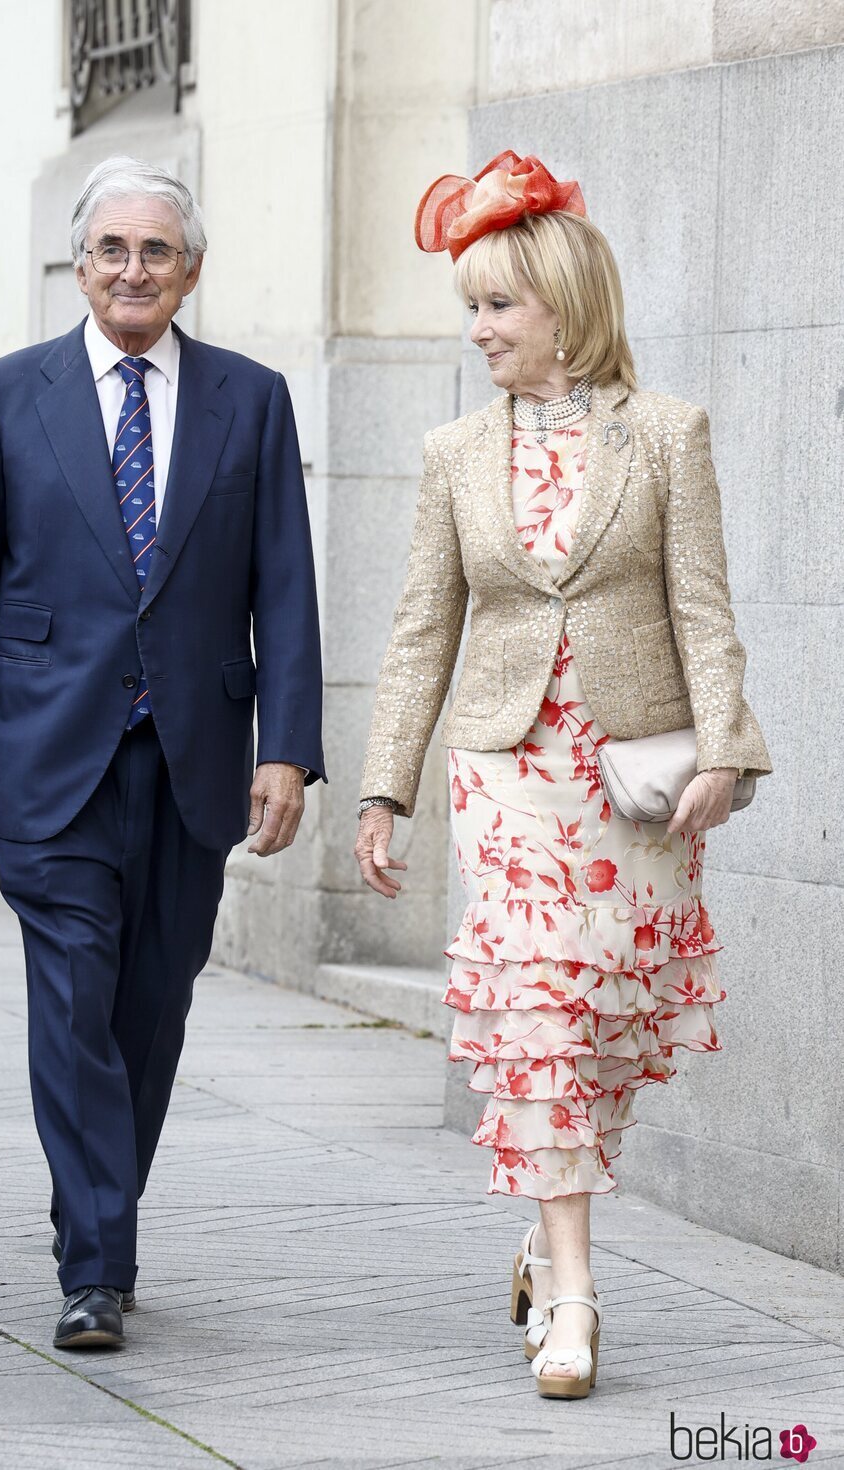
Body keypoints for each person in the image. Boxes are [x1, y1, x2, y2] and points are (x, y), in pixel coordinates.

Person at [354, 151, 771, 1400]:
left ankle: (545, 1239)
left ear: (562, 306)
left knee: (607, 1027)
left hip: (633, 777)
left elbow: (703, 609)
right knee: (538, 1010)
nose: (475, 330)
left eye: (496, 305)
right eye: (469, 307)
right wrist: (386, 787)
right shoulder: (452, 454)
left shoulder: (664, 437)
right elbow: (422, 628)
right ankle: (578, 1297)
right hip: (508, 768)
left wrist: (728, 751)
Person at [0, 155, 325, 1350]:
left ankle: (95, 1209)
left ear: (189, 270)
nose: (132, 270)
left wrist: (288, 747)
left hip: (193, 754)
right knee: (72, 996)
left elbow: (284, 588)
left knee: (151, 1008)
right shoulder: (5, 395)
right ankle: (94, 1263)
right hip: (48, 754)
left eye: (156, 251)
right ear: (80, 265)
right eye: (111, 250)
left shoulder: (250, 400)